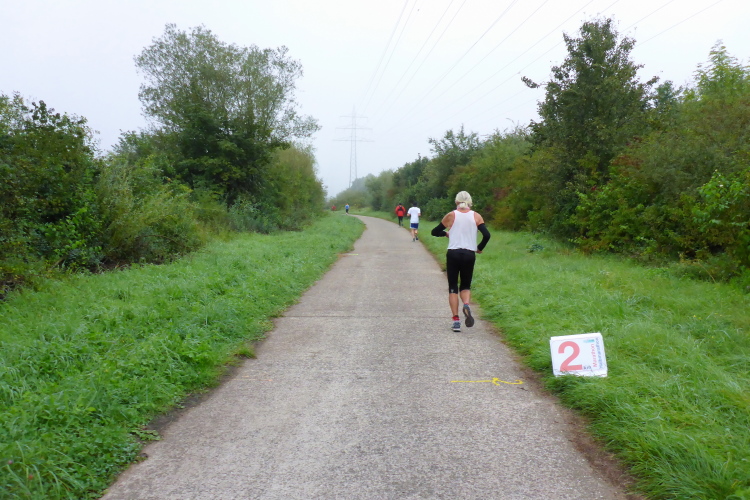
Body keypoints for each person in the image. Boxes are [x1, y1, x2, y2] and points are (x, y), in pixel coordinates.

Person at [431, 191, 490, 333]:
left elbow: (434, 231)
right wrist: (479, 248)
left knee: (453, 287)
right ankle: (467, 305)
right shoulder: (476, 216)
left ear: (456, 202)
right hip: (469, 254)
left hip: (453, 254)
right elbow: (487, 235)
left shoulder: (451, 215)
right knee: (465, 285)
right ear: (470, 202)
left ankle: (456, 321)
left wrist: (446, 233)